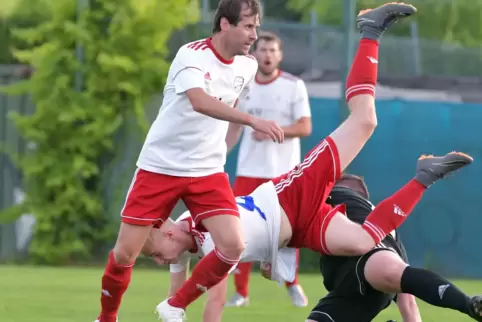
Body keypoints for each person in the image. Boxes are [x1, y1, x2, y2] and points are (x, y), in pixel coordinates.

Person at [149, 4, 475, 321]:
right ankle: (423, 177)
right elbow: (182, 286)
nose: (159, 262)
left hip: (289, 196)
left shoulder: (201, 226)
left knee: (365, 121)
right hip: (299, 231)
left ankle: (370, 31)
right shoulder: (186, 235)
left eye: (154, 254)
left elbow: (214, 299)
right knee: (363, 241)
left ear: (166, 233)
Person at [93, 1, 285, 321]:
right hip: (160, 166)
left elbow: (230, 109)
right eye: (249, 26)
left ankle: (175, 305)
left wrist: (223, 148)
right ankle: (106, 318)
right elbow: (200, 101)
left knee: (233, 245)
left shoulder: (247, 66)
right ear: (225, 24)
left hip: (207, 170)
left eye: (256, 26)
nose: (254, 34)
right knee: (125, 253)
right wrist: (253, 120)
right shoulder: (191, 54)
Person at [306, 174, 482, 322]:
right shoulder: (385, 228)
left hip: (368, 267)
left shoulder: (335, 195)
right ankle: (469, 304)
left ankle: (469, 304)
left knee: (381, 267)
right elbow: (408, 294)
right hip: (353, 291)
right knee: (391, 271)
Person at [224, 31, 312, 308]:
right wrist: (219, 153)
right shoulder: (243, 85)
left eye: (273, 50)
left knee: (287, 231)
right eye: (263, 49)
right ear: (254, 53)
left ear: (280, 55)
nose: (267, 55)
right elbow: (235, 124)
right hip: (249, 170)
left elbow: (305, 127)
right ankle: (241, 292)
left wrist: (274, 130)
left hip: (283, 172)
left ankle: (292, 282)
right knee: (238, 229)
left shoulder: (293, 85)